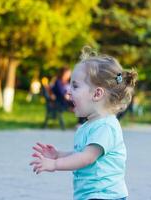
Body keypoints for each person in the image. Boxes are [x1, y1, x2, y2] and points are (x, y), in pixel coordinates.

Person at [30, 47, 137, 200]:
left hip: (105, 196)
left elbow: (86, 158)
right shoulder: (90, 125)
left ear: (97, 93)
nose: (69, 91)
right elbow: (81, 154)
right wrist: (58, 155)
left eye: (75, 86)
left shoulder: (105, 127)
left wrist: (55, 165)